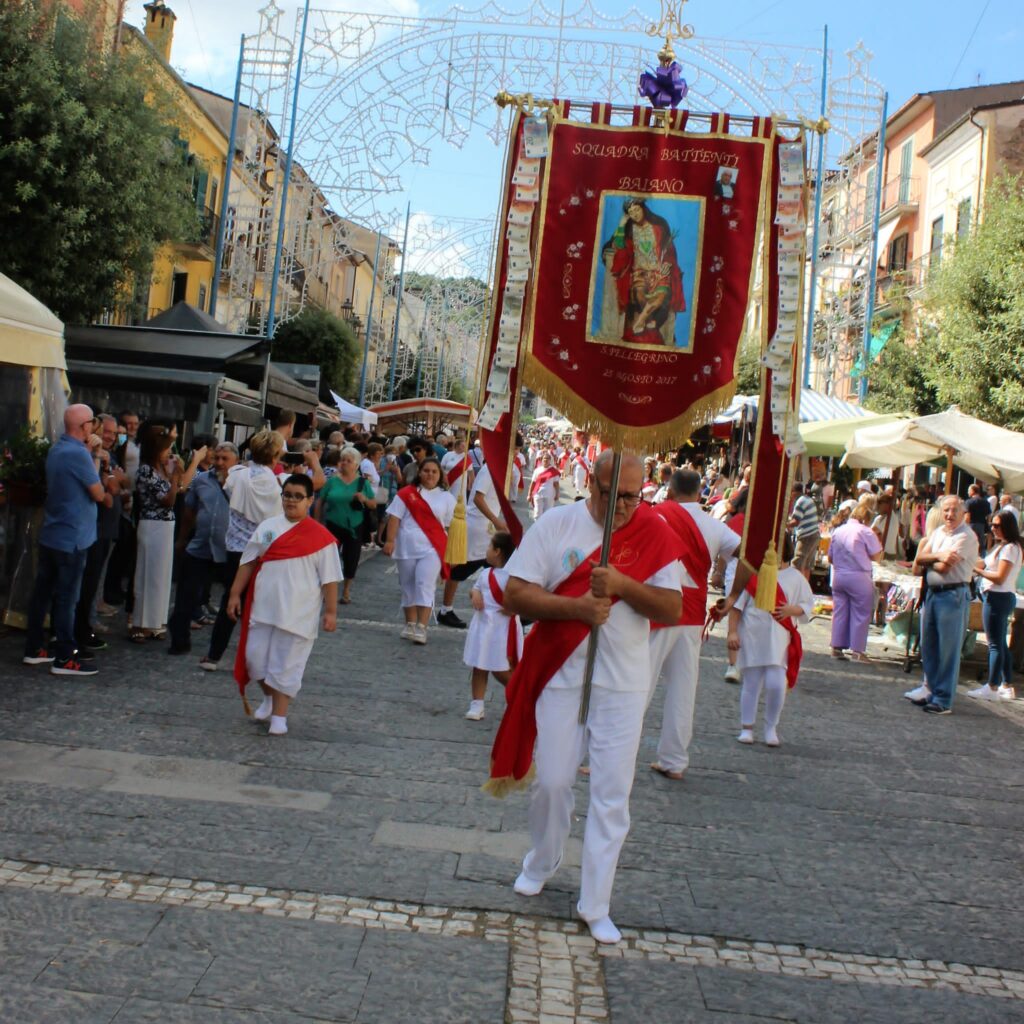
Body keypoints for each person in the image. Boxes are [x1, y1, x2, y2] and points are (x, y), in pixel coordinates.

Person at [488, 452, 683, 945]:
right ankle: (542, 859)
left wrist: (621, 584)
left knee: (611, 797)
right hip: (562, 675)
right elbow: (514, 593)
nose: (621, 505)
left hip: (622, 684)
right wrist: (574, 606)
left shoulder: (653, 532)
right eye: (611, 493)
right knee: (552, 782)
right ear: (591, 484)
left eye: (632, 496)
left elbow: (673, 605)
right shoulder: (557, 524)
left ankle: (595, 902)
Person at [228, 474, 342, 736]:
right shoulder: (267, 527)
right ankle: (269, 698)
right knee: (254, 661)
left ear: (310, 500)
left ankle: (280, 715)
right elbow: (248, 562)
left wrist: (331, 612)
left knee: (285, 665)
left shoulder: (321, 538)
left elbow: (330, 579)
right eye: (287, 495)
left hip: (298, 613)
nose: (291, 501)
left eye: (297, 496)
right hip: (263, 608)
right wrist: (235, 594)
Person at [648, 469, 739, 780]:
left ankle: (604, 757)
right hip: (691, 616)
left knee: (636, 686)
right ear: (700, 493)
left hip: (656, 608)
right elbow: (750, 557)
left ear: (670, 492)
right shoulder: (716, 527)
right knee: (683, 690)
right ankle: (674, 760)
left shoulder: (655, 516)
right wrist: (732, 598)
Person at [23, 405, 113, 676]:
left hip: (53, 531)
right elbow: (97, 493)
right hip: (73, 537)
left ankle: (34, 647)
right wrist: (96, 456)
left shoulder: (58, 449)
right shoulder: (79, 454)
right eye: (93, 423)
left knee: (42, 593)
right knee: (66, 598)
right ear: (84, 426)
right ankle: (65, 656)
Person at [201, 430, 285, 671]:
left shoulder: (238, 476)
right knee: (259, 606)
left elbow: (227, 483)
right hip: (262, 550)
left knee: (230, 598)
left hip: (236, 548)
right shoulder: (276, 483)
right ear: (276, 454)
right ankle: (254, 659)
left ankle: (214, 655)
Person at [727, 532, 813, 746]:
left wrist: (792, 609)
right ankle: (747, 727)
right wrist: (732, 631)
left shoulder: (795, 577)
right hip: (753, 635)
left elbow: (807, 605)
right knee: (751, 682)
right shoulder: (753, 575)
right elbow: (737, 606)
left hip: (779, 638)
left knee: (776, 683)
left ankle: (771, 726)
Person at [131, 427, 205, 642]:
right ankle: (139, 622)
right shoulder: (146, 470)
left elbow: (180, 488)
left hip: (165, 525)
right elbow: (169, 499)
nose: (169, 454)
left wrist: (180, 473)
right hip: (152, 524)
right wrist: (174, 478)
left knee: (161, 576)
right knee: (147, 573)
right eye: (167, 449)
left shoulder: (162, 469)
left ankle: (156, 622)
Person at [909, 495, 980, 714]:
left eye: (953, 511)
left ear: (963, 513)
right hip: (933, 594)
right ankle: (931, 689)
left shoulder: (967, 536)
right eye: (946, 510)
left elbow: (944, 568)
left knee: (948, 649)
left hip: (952, 595)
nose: (949, 515)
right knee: (929, 646)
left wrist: (929, 560)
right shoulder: (939, 532)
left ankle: (943, 698)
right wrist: (937, 556)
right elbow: (918, 559)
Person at [168, 442, 238, 655]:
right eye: (217, 458)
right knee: (185, 597)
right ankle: (179, 641)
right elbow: (189, 512)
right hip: (200, 547)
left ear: (235, 461)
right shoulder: (201, 481)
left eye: (224, 459)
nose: (219, 463)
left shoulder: (242, 484)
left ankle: (219, 648)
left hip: (229, 549)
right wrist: (182, 539)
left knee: (233, 599)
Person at [383, 457, 456, 644]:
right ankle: (409, 624)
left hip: (432, 547)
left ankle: (422, 627)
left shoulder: (447, 498)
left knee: (424, 583)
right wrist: (390, 540)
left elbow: (449, 527)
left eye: (434, 471)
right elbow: (394, 518)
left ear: (440, 475)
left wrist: (453, 552)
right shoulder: (406, 493)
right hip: (406, 546)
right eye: (426, 470)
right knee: (408, 585)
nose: (430, 474)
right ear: (419, 472)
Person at [73, 415, 127, 652]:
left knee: (93, 582)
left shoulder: (108, 455)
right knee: (85, 583)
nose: (110, 437)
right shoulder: (89, 456)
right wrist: (111, 476)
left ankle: (85, 626)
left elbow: (117, 487)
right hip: (93, 528)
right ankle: (79, 632)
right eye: (106, 431)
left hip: (104, 529)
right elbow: (108, 494)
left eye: (114, 434)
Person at [437, 452, 508, 629]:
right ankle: (446, 609)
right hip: (477, 528)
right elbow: (478, 497)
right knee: (460, 569)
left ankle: (494, 610)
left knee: (498, 569)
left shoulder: (502, 471)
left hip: (490, 531)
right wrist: (496, 520)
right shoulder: (489, 470)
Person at [603, 197, 685, 346]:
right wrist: (621, 225)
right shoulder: (629, 231)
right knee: (640, 294)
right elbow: (619, 245)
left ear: (643, 209)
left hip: (658, 272)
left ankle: (640, 321)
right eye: (631, 212)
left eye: (637, 210)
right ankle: (650, 322)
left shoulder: (658, 227)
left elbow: (669, 249)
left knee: (661, 294)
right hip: (639, 273)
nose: (635, 214)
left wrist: (667, 263)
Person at [463, 531, 522, 721]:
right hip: (483, 627)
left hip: (502, 630)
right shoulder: (486, 573)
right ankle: (477, 704)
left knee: (502, 669)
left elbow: (522, 599)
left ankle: (520, 698)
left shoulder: (514, 577)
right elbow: (476, 588)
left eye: (489, 546)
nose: (486, 550)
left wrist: (514, 607)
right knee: (479, 666)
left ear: (497, 551)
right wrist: (474, 594)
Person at [967, 508, 1022, 701]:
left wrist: (976, 570)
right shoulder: (1003, 546)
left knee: (994, 644)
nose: (993, 528)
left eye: (997, 525)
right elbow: (988, 564)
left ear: (1007, 526)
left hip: (998, 596)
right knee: (999, 643)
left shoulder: (1010, 548)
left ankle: (992, 686)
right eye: (992, 525)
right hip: (997, 596)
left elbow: (1000, 577)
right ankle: (1006, 684)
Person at [316, 447, 377, 604]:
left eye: (349, 461)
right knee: (329, 559)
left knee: (351, 558)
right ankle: (328, 590)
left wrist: (364, 498)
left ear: (356, 465)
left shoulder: (362, 483)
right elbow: (320, 501)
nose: (344, 463)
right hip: (332, 525)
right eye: (342, 460)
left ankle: (346, 590)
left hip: (354, 526)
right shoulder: (332, 482)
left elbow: (373, 504)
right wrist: (316, 523)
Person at [828, 504, 883, 662]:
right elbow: (876, 556)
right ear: (866, 519)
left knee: (840, 611)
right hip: (858, 575)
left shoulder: (838, 531)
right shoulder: (865, 531)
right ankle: (857, 650)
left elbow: (830, 557)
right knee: (861, 613)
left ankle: (836, 647)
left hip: (839, 575)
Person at [787, 482, 820, 581]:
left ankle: (795, 588)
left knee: (797, 562)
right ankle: (805, 588)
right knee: (807, 565)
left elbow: (796, 521)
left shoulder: (800, 501)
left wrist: (784, 524)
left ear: (794, 492)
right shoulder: (808, 499)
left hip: (807, 535)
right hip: (814, 534)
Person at [529, 451, 560, 520]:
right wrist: (529, 494)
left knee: (547, 513)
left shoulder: (554, 471)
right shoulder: (537, 470)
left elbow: (556, 484)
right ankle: (537, 527)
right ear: (542, 460)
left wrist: (557, 494)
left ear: (550, 460)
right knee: (537, 513)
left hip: (549, 495)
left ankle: (544, 528)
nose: (545, 460)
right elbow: (533, 482)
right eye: (544, 458)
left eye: (547, 459)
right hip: (538, 494)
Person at [965, 483, 991, 553]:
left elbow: (967, 516)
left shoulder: (968, 502)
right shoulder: (986, 502)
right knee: (981, 546)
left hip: (971, 525)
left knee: (970, 544)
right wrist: (987, 526)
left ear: (973, 491)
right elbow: (989, 516)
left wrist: (965, 526)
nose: (968, 492)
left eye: (968, 490)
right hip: (982, 526)